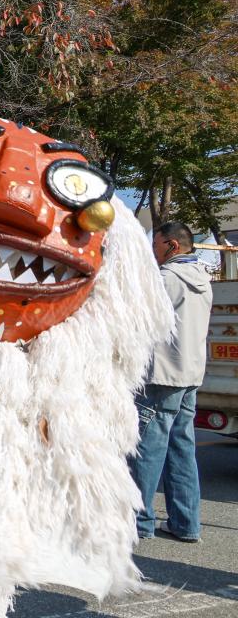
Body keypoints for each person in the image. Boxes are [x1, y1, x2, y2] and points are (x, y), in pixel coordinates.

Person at [130, 221, 214, 543]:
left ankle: (140, 521)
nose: (154, 252)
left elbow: (141, 323)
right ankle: (186, 522)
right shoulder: (203, 279)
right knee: (182, 447)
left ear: (172, 246)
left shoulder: (165, 279)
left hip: (162, 375)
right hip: (191, 374)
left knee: (148, 448)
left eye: (156, 245)